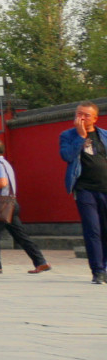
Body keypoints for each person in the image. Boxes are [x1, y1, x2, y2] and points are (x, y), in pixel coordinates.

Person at [0, 140, 49, 275]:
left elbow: (2, 182)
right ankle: (41, 262)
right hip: (12, 202)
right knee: (20, 235)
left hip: (2, 203)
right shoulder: (6, 163)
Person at [59, 102, 107, 284]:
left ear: (95, 118)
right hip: (85, 189)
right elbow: (67, 156)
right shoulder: (67, 136)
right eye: (79, 114)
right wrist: (80, 137)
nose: (81, 117)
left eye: (86, 115)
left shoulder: (104, 135)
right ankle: (98, 270)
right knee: (92, 230)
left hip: (105, 187)